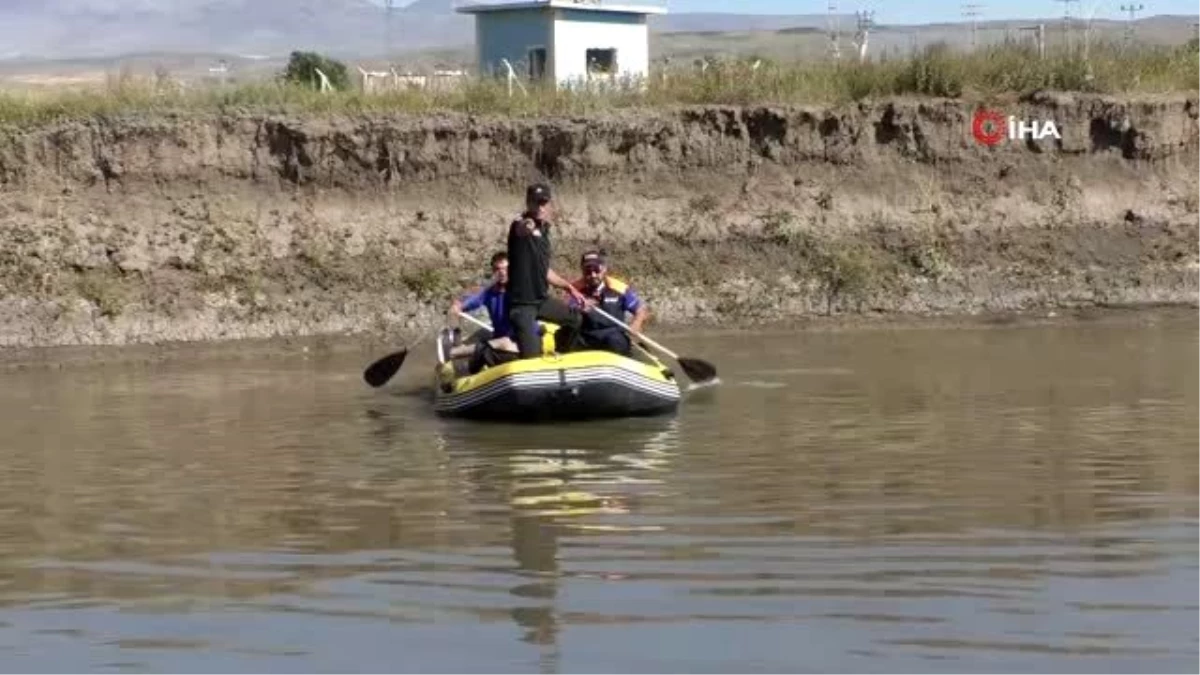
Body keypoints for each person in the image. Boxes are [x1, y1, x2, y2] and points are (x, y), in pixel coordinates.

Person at [505, 183, 588, 358]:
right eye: (535, 203)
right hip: (522, 306)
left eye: (543, 203)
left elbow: (545, 271)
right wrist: (528, 226)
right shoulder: (519, 224)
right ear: (528, 203)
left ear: (549, 204)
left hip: (541, 301)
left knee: (576, 320)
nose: (540, 208)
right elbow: (522, 227)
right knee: (532, 356)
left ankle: (560, 351)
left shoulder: (545, 232)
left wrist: (569, 287)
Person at [443, 251, 518, 374]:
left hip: (520, 342)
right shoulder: (488, 292)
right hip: (499, 342)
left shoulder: (521, 290)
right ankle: (460, 354)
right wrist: (457, 306)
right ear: (493, 271)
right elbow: (467, 303)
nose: (502, 273)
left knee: (503, 342)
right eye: (498, 269)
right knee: (497, 342)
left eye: (506, 269)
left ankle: (455, 352)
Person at [569, 250, 649, 357]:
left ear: (604, 269)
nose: (592, 275)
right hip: (587, 335)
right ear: (582, 271)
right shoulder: (574, 289)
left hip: (613, 335)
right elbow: (567, 312)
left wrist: (637, 323)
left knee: (615, 341)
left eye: (596, 270)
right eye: (588, 271)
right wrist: (580, 310)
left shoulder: (618, 288)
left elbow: (641, 309)